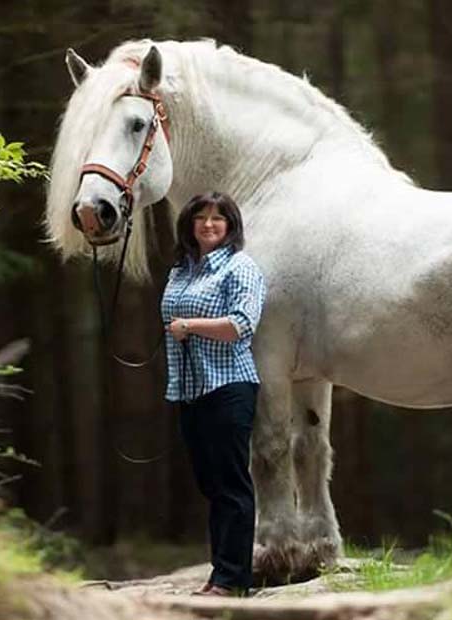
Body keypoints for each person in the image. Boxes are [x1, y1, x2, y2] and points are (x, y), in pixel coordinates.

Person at [161, 191, 266, 597]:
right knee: (212, 486)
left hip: (229, 386)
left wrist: (189, 325)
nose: (208, 224)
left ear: (230, 226)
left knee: (231, 486)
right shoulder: (181, 271)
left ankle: (232, 580)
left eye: (218, 218)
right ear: (189, 224)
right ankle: (221, 574)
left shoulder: (241, 267)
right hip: (190, 390)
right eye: (200, 217)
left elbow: (241, 324)